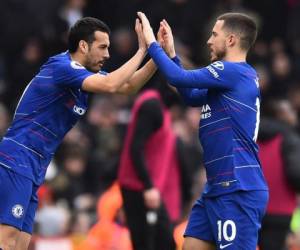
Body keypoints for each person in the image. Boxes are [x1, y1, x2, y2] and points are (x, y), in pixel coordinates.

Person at [0, 16, 158, 250]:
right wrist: (143, 49)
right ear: (83, 46)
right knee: (8, 238)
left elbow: (127, 86)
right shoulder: (63, 67)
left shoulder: (80, 77)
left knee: (21, 243)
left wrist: (158, 55)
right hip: (18, 159)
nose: (107, 55)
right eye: (102, 47)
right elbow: (112, 85)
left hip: (35, 165)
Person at [137, 11, 269, 250]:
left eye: (214, 34)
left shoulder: (233, 71)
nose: (209, 40)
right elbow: (189, 95)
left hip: (238, 188)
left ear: (230, 40)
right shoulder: (230, 80)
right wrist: (172, 55)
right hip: (217, 188)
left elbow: (178, 77)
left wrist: (151, 43)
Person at [118, 84, 182, 250]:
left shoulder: (160, 106)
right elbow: (136, 147)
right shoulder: (152, 105)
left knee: (161, 242)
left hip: (146, 188)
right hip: (139, 188)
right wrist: (148, 186)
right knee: (154, 243)